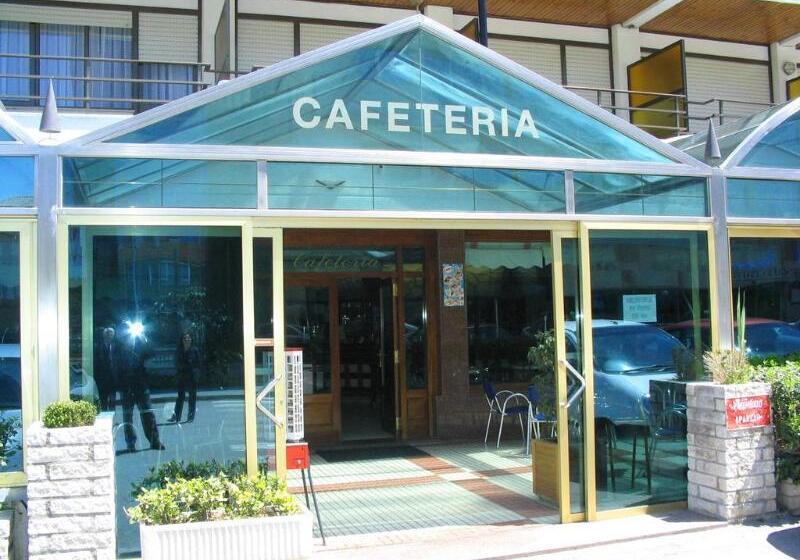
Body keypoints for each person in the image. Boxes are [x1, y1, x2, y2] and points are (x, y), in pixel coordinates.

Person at [118, 326, 164, 452]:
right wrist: (120, 384)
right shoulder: (121, 349)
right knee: (128, 416)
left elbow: (152, 353)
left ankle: (154, 441)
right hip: (126, 386)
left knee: (148, 413)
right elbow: (117, 367)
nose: (130, 339)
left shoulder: (141, 347)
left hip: (141, 385)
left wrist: (144, 339)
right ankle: (130, 443)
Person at [169, 331, 201, 423]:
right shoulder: (179, 350)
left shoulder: (194, 350)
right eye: (185, 338)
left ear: (191, 339)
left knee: (192, 397)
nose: (187, 340)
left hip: (192, 376)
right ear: (182, 340)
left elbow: (199, 363)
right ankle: (176, 416)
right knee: (180, 396)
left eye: (188, 338)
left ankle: (191, 416)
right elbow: (176, 362)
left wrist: (197, 372)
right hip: (182, 375)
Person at [93, 327, 119, 412]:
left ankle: (112, 415)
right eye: (108, 334)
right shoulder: (98, 346)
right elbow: (96, 362)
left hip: (113, 378)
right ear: (104, 335)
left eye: (112, 334)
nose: (110, 336)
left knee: (112, 400)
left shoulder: (115, 346)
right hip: (102, 378)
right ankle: (104, 415)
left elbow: (117, 361)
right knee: (103, 400)